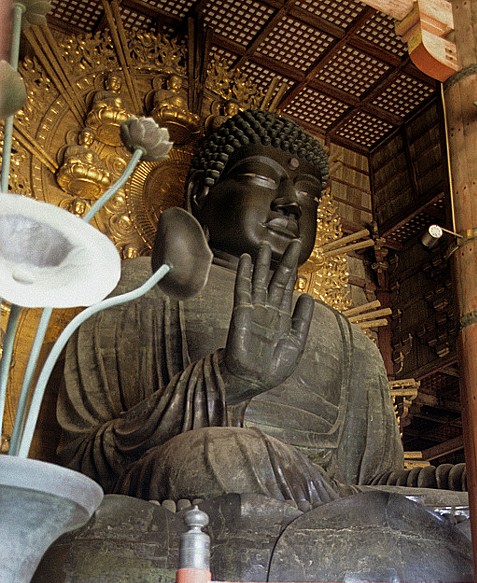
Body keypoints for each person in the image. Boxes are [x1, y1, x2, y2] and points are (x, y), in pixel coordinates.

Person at [56, 109, 404, 510]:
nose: (290, 203)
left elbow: (380, 486)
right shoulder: (141, 286)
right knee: (220, 455)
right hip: (193, 488)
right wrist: (224, 381)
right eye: (260, 177)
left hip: (330, 508)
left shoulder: (349, 339)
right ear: (199, 195)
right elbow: (81, 464)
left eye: (308, 193)